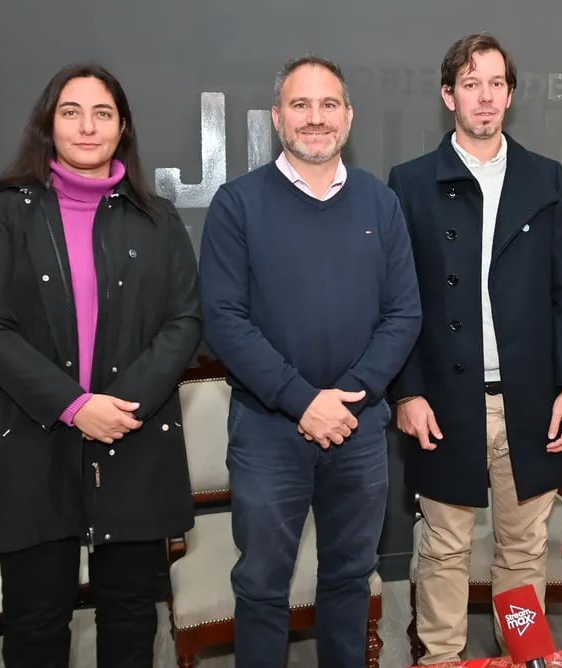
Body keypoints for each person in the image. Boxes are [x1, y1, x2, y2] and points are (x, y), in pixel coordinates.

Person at [0, 63, 201, 667]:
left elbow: (186, 322)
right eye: (71, 112)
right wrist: (75, 407)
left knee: (130, 615)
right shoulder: (7, 214)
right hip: (35, 443)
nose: (87, 127)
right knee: (37, 624)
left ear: (123, 128)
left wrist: (120, 407)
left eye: (102, 114)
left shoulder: (158, 219)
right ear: (49, 123)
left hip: (132, 438)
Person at [199, 55, 421, 667]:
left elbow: (404, 313)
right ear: (277, 118)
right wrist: (303, 401)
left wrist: (345, 399)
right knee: (264, 586)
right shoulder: (236, 204)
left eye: (328, 105)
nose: (315, 118)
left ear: (348, 117)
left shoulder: (380, 203)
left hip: (359, 426)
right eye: (300, 105)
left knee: (352, 579)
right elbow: (224, 320)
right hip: (269, 431)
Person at [387, 33, 562, 664]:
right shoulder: (412, 183)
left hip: (528, 400)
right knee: (444, 546)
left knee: (524, 550)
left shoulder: (544, 178)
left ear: (511, 94)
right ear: (449, 96)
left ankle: (524, 654)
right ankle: (441, 658)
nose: (485, 96)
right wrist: (409, 390)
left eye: (496, 83)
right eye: (470, 84)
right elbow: (400, 302)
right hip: (445, 399)